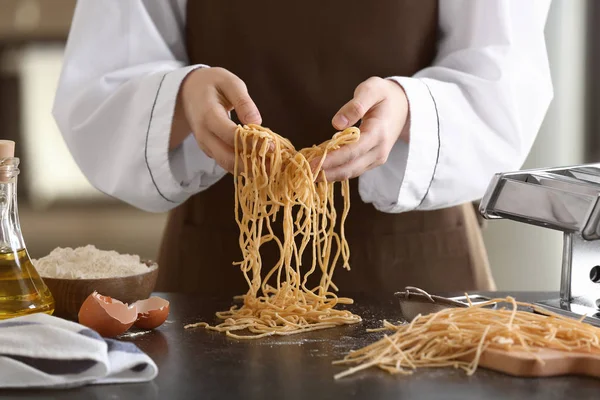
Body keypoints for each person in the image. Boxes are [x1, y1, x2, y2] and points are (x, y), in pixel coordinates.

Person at [52, 0, 553, 297]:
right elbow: (103, 74)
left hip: (419, 276)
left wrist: (408, 107)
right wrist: (182, 98)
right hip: (218, 273)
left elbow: (507, 75)